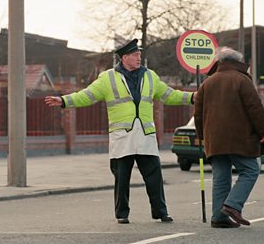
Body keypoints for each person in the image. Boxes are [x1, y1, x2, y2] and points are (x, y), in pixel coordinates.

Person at [45, 38, 195, 224]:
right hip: (122, 136)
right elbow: (88, 95)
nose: (139, 58)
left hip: (145, 136)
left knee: (154, 176)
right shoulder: (107, 78)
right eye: (135, 55)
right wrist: (64, 100)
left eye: (140, 54)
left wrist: (194, 97)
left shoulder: (150, 76)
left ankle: (161, 212)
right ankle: (122, 214)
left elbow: (170, 95)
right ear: (124, 58)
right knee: (122, 178)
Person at [194, 46, 264, 228]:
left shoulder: (207, 83)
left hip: (214, 140)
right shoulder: (242, 80)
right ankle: (233, 205)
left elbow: (198, 114)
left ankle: (219, 217)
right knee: (250, 169)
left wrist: (202, 137)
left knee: (220, 178)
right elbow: (255, 108)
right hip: (239, 137)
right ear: (237, 62)